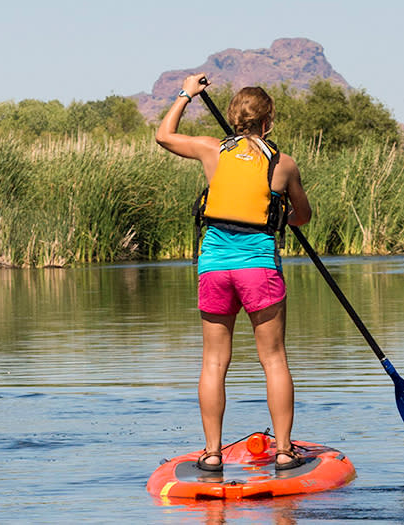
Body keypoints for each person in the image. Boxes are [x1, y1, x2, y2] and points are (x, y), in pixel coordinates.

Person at [155, 74, 312, 471]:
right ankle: (282, 450)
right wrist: (279, 215)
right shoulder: (282, 164)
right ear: (269, 120)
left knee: (213, 362)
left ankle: (211, 453)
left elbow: (163, 135)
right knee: (274, 359)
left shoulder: (212, 150)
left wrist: (186, 94)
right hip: (258, 268)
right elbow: (304, 217)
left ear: (232, 118)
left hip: (214, 268)